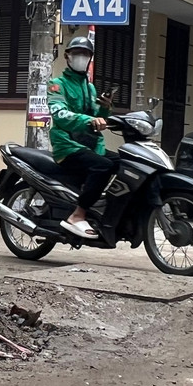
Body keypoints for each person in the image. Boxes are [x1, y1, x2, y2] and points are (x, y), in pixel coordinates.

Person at [47, 35, 116, 238]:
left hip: (90, 144)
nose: (81, 58)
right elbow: (60, 114)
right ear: (68, 56)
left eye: (85, 54)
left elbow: (97, 117)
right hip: (68, 146)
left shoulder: (90, 87)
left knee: (124, 161)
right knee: (102, 166)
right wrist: (89, 120)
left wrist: (105, 109)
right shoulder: (56, 85)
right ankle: (78, 215)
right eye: (77, 53)